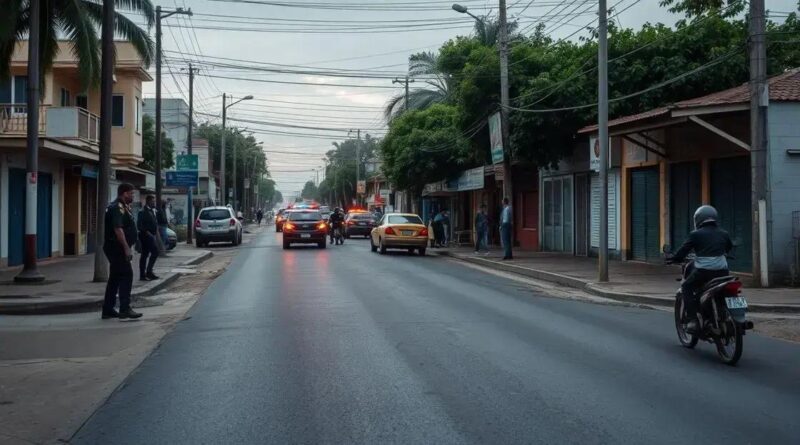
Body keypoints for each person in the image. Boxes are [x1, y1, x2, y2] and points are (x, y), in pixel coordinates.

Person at [667, 205, 733, 334]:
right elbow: (728, 247)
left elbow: (683, 251)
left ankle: (693, 320)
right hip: (723, 272)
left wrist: (674, 258)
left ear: (698, 219)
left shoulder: (695, 234)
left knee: (686, 287)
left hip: (704, 272)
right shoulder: (724, 233)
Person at [102, 183, 142, 320]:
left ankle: (108, 309)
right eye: (131, 193)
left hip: (116, 247)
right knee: (127, 275)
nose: (133, 196)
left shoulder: (124, 207)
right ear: (124, 193)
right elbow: (118, 229)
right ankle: (125, 308)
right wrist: (126, 248)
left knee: (115, 278)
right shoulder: (117, 208)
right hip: (116, 247)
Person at [137, 195, 160, 281]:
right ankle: (147, 272)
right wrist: (148, 233)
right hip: (146, 236)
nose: (154, 203)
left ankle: (145, 274)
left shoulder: (151, 211)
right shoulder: (143, 211)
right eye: (153, 201)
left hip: (151, 235)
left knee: (145, 254)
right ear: (148, 201)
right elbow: (140, 225)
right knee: (154, 252)